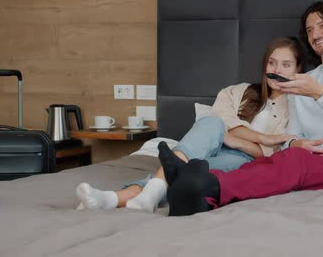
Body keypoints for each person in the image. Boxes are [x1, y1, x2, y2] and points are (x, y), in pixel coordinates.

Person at [160, 1, 323, 216]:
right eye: (309, 30)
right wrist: (294, 143)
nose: (315, 34)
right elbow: (294, 135)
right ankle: (193, 188)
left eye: (322, 25)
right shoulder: (301, 81)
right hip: (310, 159)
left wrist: (322, 95)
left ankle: (207, 187)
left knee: (295, 162)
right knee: (276, 161)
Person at [75, 37, 306, 212]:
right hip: (206, 141)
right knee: (212, 123)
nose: (276, 70)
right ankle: (151, 191)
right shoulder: (237, 91)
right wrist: (261, 138)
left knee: (188, 171)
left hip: (241, 159)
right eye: (272, 63)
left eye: (286, 65)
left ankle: (116, 198)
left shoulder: (298, 109)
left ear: (298, 70)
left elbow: (271, 153)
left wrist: (234, 140)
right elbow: (220, 121)